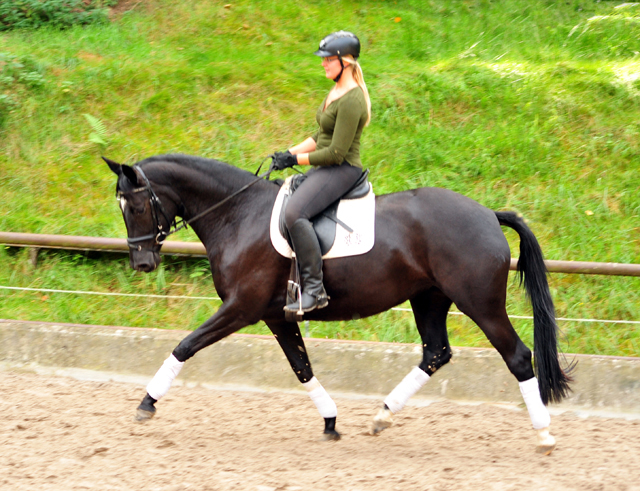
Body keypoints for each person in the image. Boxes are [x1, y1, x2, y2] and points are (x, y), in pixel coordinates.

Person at [271, 31, 372, 314]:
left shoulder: (352, 99)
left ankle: (314, 290)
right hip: (327, 167)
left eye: (328, 60)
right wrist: (287, 154)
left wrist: (297, 160)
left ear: (345, 61)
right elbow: (320, 135)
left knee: (294, 213)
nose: (323, 64)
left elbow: (335, 153)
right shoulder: (335, 90)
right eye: (323, 59)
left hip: (342, 170)